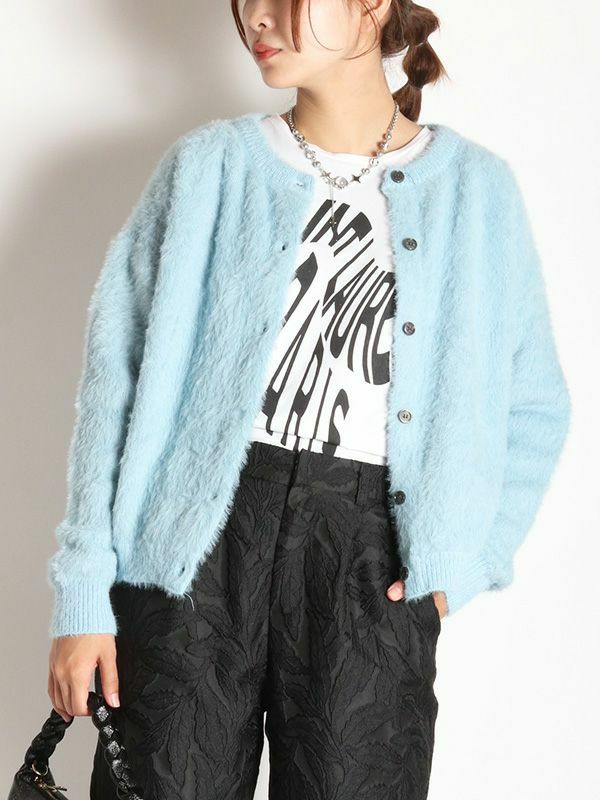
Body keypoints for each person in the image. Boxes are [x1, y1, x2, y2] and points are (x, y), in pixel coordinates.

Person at [46, 1, 571, 798]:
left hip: (371, 559)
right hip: (190, 550)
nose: (257, 17)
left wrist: (462, 563)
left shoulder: (476, 192)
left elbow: (534, 404)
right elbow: (113, 382)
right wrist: (83, 594)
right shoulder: (210, 168)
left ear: (373, 5)